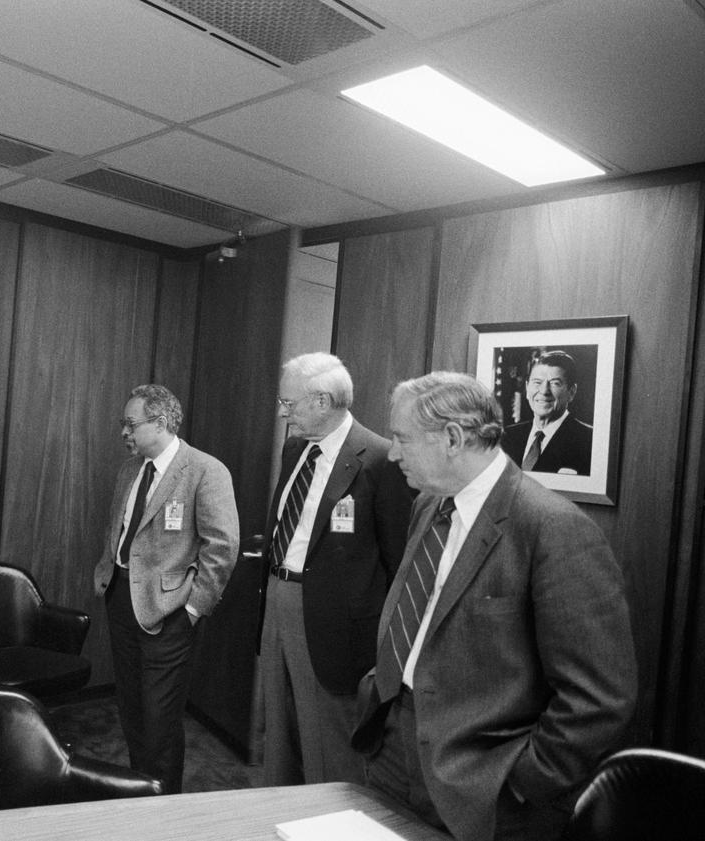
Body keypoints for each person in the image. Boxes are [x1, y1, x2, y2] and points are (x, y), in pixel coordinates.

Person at [352, 371, 636, 841]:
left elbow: (599, 698)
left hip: (482, 783)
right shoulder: (428, 505)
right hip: (390, 745)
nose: (393, 453)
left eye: (402, 439)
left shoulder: (552, 529)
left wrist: (522, 781)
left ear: (452, 438)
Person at [258, 353, 412, 786]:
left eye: (289, 403)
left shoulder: (380, 460)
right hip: (278, 598)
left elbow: (398, 562)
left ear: (322, 401)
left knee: (327, 741)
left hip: (334, 622)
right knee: (279, 729)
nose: (283, 413)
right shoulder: (295, 449)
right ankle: (279, 809)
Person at [92, 384, 239, 793]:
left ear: (160, 423)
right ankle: (141, 791)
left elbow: (222, 547)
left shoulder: (205, 470)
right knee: (132, 709)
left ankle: (164, 803)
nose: (123, 431)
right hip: (121, 599)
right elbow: (119, 528)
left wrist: (192, 610)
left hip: (171, 611)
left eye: (130, 423)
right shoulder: (129, 470)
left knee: (160, 717)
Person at [499, 350, 593, 475]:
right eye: (537, 382)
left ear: (571, 392)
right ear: (527, 388)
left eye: (555, 383)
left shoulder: (589, 441)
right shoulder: (507, 437)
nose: (544, 391)